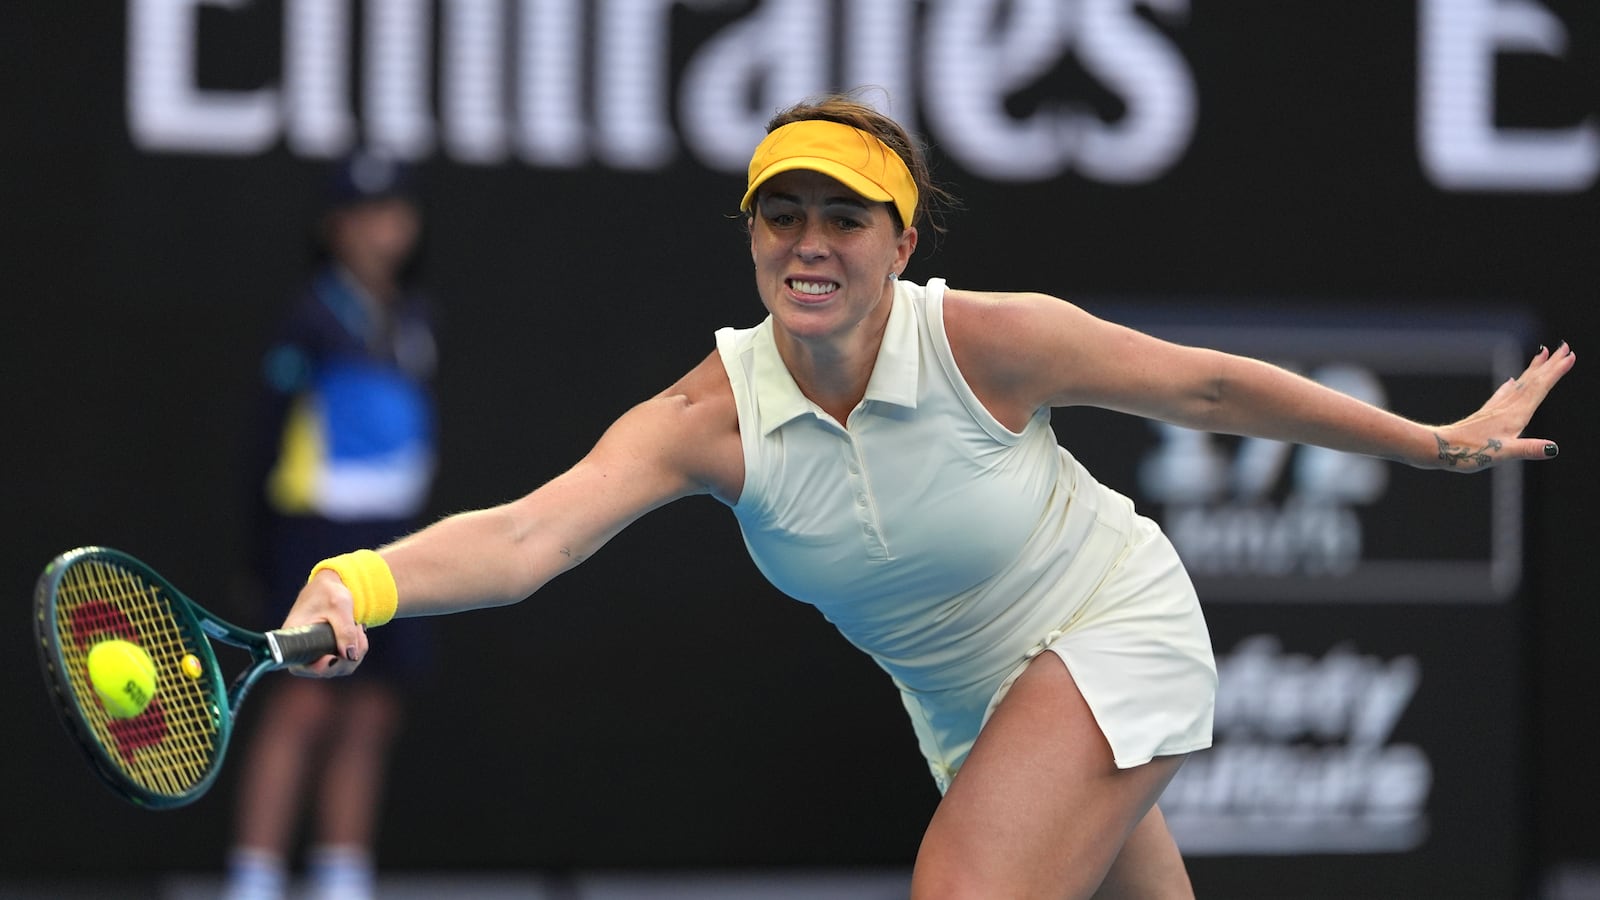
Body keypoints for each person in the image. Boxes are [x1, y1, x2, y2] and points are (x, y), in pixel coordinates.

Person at [279, 93, 1573, 898]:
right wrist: (363, 582)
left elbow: (1214, 389)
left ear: (903, 242)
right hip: (969, 712)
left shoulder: (989, 342)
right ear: (750, 238)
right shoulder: (705, 419)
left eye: (845, 217)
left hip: (1109, 632)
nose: (809, 242)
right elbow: (525, 536)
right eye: (780, 214)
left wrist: (1436, 445)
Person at [222, 152, 439, 900]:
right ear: (336, 228)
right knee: (306, 702)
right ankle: (254, 877)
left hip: (396, 535)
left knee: (373, 709)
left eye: (395, 212)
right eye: (366, 215)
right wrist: (262, 556)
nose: (385, 230)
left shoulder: (412, 315)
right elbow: (262, 442)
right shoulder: (310, 317)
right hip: (316, 534)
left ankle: (343, 876)